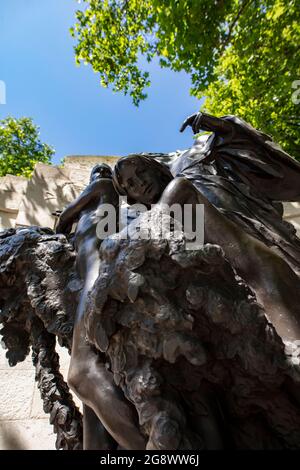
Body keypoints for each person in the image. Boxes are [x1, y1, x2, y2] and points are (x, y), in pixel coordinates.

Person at [112, 145, 300, 342]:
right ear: (131, 197)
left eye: (142, 172)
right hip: (246, 288)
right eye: (131, 184)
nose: (141, 183)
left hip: (261, 276)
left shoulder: (177, 188)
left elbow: (145, 230)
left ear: (155, 169)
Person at [56, 163, 146, 450]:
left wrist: (61, 223)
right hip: (88, 276)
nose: (96, 174)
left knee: (82, 374)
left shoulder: (103, 188)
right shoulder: (94, 212)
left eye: (99, 171)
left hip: (97, 272)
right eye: (96, 171)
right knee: (92, 407)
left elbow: (64, 218)